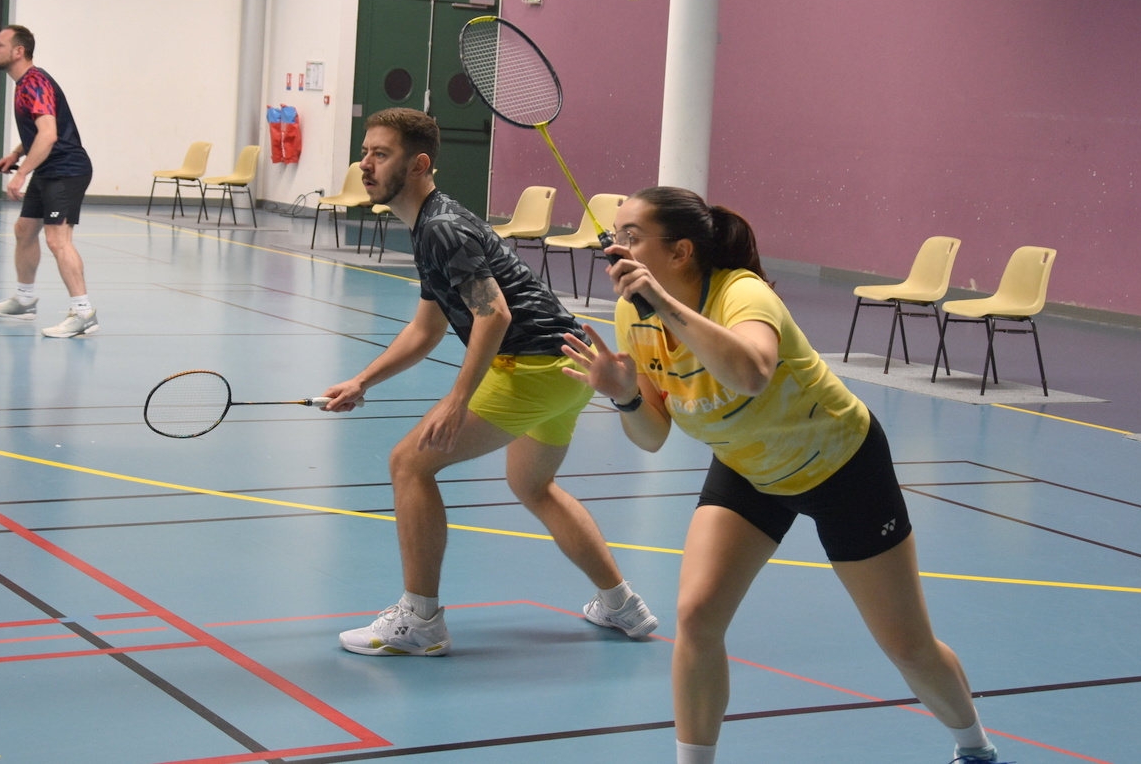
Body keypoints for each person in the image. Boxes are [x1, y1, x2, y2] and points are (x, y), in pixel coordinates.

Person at [561, 187, 1012, 764]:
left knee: (907, 646)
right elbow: (651, 436)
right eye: (614, 234)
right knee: (697, 618)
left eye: (631, 236)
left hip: (842, 468)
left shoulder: (741, 294)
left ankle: (975, 748)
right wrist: (625, 396)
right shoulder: (633, 315)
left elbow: (751, 374)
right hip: (748, 468)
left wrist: (664, 304)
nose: (614, 247)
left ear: (679, 252)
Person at [321, 108, 657, 656]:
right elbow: (427, 328)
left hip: (532, 366)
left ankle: (420, 620)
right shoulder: (431, 225)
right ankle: (622, 604)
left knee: (409, 464)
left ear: (419, 164)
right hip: (567, 367)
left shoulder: (441, 229)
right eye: (365, 152)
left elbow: (493, 314)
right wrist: (363, 381)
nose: (366, 164)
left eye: (380, 154)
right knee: (532, 485)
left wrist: (458, 400)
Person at [0, 25, 98, 338]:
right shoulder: (24, 84)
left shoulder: (36, 83)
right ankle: (24, 301)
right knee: (24, 230)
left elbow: (48, 135)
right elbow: (38, 131)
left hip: (66, 170)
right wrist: (16, 153)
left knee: (58, 239)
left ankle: (83, 314)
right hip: (48, 168)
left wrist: (21, 173)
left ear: (19, 51)